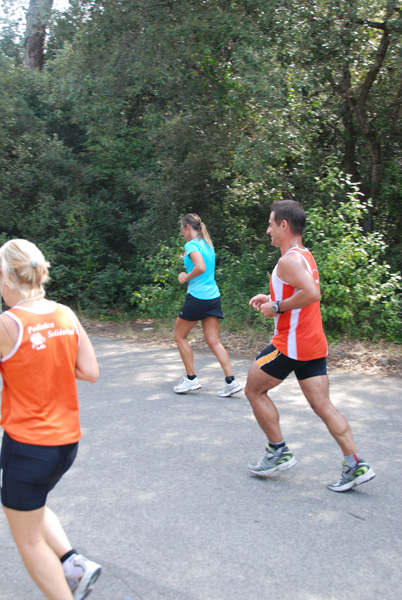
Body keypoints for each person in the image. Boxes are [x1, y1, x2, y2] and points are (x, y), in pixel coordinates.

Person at [245, 200, 375, 492]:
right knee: (323, 405)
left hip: (290, 346)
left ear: (284, 226)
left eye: (270, 224)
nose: (267, 230)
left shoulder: (287, 260)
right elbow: (299, 292)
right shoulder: (304, 256)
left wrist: (276, 307)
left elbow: (312, 293)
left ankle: (278, 451)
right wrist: (270, 298)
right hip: (313, 345)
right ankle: (355, 464)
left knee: (253, 389)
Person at [0, 239, 101, 599]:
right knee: (31, 504)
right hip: (65, 443)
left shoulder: (8, 324)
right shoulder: (65, 313)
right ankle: (73, 563)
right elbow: (89, 371)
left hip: (28, 447)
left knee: (27, 540)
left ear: (6, 277)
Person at [173, 213, 242, 397]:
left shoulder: (191, 244)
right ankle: (231, 381)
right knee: (214, 341)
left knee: (179, 336)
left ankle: (191, 378)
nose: (181, 232)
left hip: (197, 297)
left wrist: (185, 277)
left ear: (188, 227)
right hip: (213, 297)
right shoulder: (208, 245)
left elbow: (201, 267)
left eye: (181, 228)